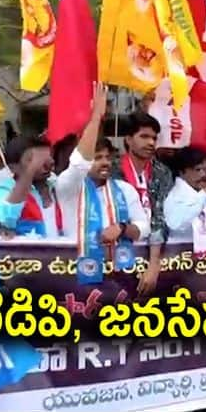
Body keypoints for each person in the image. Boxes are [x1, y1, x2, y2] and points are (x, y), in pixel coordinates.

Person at [56, 83, 151, 292]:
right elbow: (80, 162)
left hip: (121, 277)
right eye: (98, 158)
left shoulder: (124, 190)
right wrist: (96, 117)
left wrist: (123, 229)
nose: (105, 163)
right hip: (76, 277)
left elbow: (144, 227)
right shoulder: (69, 187)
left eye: (108, 157)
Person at [113, 112, 174, 296]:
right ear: (129, 140)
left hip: (153, 251)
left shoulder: (162, 172)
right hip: (117, 250)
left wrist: (154, 265)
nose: (151, 143)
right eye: (144, 136)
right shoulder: (112, 169)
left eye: (154, 138)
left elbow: (160, 217)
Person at [0, 136, 62, 238]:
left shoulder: (57, 187)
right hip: (24, 253)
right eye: (32, 159)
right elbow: (6, 218)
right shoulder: (2, 189)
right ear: (13, 167)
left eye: (48, 157)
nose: (45, 163)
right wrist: (30, 171)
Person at [163, 147, 206, 250]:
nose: (203, 174)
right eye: (198, 170)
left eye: (205, 169)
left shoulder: (204, 193)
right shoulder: (175, 196)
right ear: (182, 172)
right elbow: (175, 224)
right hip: (179, 255)